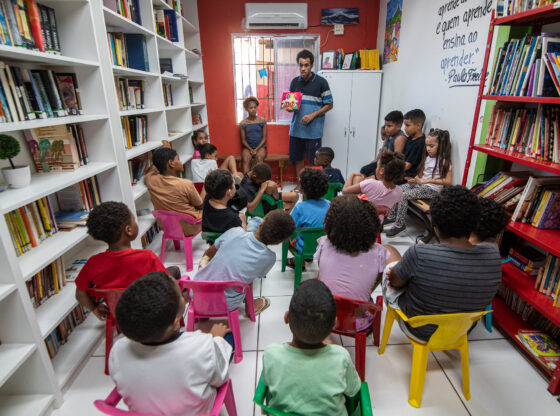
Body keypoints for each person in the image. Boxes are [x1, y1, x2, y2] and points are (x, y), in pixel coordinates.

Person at [386, 186, 502, 342]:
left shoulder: (419, 253)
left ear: (433, 223)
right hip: (461, 332)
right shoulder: (493, 255)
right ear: (475, 224)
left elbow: (394, 282)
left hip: (418, 330)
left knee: (388, 252)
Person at [109, 272, 233, 415]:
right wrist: (215, 338)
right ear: (175, 322)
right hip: (198, 412)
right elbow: (220, 378)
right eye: (181, 295)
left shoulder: (118, 350)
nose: (183, 295)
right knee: (227, 337)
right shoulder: (201, 345)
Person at [262, 279, 361, 416]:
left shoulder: (272, 354)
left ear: (287, 318)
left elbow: (268, 383)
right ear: (334, 323)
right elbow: (353, 391)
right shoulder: (340, 357)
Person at [74, 202, 178, 321]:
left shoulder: (93, 263)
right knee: (174, 272)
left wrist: (94, 307)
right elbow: (166, 286)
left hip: (121, 316)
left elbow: (80, 294)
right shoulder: (146, 257)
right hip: (152, 312)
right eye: (134, 220)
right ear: (128, 230)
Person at [316, 196, 401, 331]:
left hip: (323, 315)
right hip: (357, 322)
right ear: (371, 225)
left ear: (331, 222)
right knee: (385, 260)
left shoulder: (324, 243)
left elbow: (322, 269)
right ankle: (360, 296)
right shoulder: (379, 252)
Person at [195, 210, 296, 314]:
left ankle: (203, 313)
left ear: (261, 224)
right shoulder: (270, 257)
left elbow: (208, 253)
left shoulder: (234, 232)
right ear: (278, 242)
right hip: (227, 304)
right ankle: (251, 306)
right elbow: (258, 275)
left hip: (196, 295)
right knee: (247, 278)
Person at [385, 128, 452, 237]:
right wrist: (414, 179)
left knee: (403, 195)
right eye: (427, 146)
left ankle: (399, 224)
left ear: (441, 145)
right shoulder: (428, 158)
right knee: (397, 189)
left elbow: (448, 181)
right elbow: (420, 175)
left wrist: (428, 180)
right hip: (421, 185)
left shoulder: (444, 161)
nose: (428, 149)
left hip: (432, 190)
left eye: (432, 146)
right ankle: (392, 216)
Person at [286, 49, 333, 176]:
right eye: (300, 65)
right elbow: (292, 106)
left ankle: (313, 186)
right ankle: (300, 186)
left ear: (311, 65)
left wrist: (312, 115)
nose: (303, 68)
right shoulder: (294, 82)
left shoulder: (321, 82)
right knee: (298, 159)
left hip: (313, 132)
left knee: (315, 161)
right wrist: (290, 108)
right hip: (296, 130)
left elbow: (329, 104)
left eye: (306, 65)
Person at [144, 146, 203, 235]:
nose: (181, 162)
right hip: (190, 227)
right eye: (178, 159)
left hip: (167, 228)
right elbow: (200, 206)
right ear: (171, 163)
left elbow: (149, 172)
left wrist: (159, 157)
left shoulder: (150, 179)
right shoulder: (186, 184)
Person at [342, 151, 405, 222]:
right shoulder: (399, 191)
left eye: (377, 166)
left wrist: (352, 175)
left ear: (381, 170)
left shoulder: (371, 183)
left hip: (359, 222)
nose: (375, 169)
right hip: (377, 226)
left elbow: (345, 191)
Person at [286, 168, 330, 269]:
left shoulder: (299, 207)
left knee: (284, 235)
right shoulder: (329, 204)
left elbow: (290, 229)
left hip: (304, 248)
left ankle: (300, 262)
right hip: (325, 247)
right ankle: (309, 258)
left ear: (303, 189)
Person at [359, 111, 407, 178]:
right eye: (385, 126)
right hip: (381, 163)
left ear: (399, 126)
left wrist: (381, 168)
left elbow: (396, 160)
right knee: (364, 170)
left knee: (371, 176)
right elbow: (382, 150)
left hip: (389, 167)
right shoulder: (388, 135)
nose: (386, 128)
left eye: (389, 126)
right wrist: (376, 160)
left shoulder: (400, 138)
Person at [240, 96, 267, 173]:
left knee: (259, 158)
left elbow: (264, 138)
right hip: (248, 147)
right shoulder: (243, 123)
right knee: (245, 159)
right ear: (246, 109)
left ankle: (259, 182)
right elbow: (243, 140)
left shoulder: (262, 120)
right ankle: (247, 182)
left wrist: (257, 149)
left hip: (260, 146)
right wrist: (250, 149)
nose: (253, 109)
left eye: (255, 107)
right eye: (250, 108)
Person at [400, 109, 427, 182]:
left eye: (407, 125)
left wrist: (392, 171)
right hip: (401, 172)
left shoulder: (420, 143)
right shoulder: (410, 138)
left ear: (418, 125)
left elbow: (407, 166)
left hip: (408, 176)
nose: (405, 128)